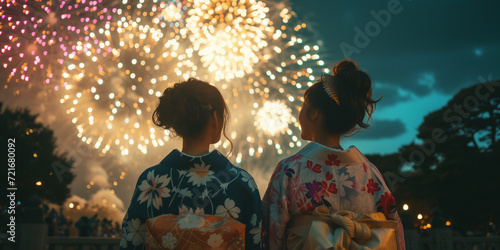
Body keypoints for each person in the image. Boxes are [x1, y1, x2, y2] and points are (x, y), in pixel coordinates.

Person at [262, 59, 405, 249]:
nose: (300, 113)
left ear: (313, 113)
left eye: (303, 106)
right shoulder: (371, 174)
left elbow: (272, 232)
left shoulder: (289, 170)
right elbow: (395, 232)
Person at [120, 78, 262, 249]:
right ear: (215, 118)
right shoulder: (241, 183)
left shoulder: (151, 181)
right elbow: (255, 244)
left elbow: (132, 242)